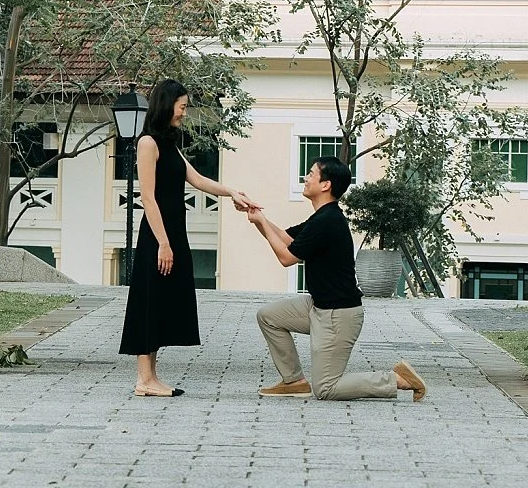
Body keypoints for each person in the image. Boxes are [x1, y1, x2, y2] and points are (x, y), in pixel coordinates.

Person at [245, 155, 427, 402]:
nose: (305, 178)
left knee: (327, 389)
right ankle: (294, 381)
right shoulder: (322, 217)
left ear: (325, 185)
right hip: (318, 307)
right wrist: (259, 219)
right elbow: (287, 239)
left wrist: (262, 224)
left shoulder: (328, 221)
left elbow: (287, 258)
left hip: (338, 316)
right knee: (269, 316)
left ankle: (396, 379)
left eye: (310, 174)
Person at [119, 79, 259, 397]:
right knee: (149, 299)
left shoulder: (170, 142)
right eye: (182, 106)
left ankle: (151, 377)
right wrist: (164, 243)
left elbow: (195, 179)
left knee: (165, 299)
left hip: (174, 232)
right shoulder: (147, 144)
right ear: (167, 104)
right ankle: (143, 379)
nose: (184, 112)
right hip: (158, 234)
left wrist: (232, 193)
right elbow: (148, 198)